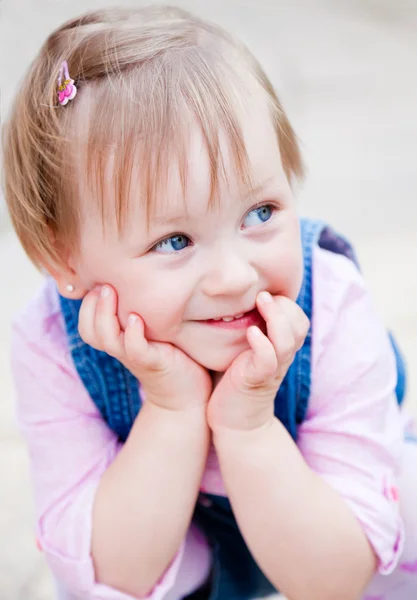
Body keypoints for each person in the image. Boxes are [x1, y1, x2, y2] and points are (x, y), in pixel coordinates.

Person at [2, 5, 416, 600]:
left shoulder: (332, 304)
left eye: (260, 213)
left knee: (409, 496)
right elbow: (108, 577)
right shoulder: (51, 343)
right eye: (174, 241)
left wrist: (246, 426)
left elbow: (335, 579)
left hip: (324, 517)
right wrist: (172, 408)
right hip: (173, 540)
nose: (232, 276)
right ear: (65, 260)